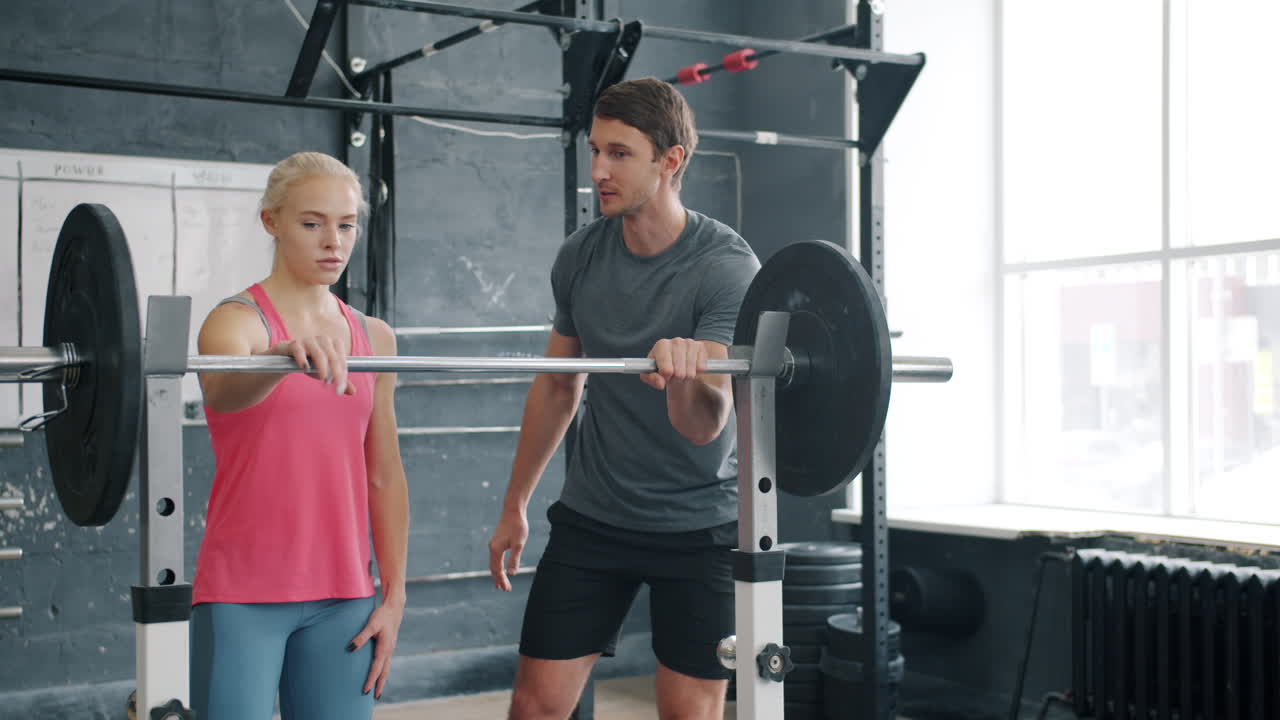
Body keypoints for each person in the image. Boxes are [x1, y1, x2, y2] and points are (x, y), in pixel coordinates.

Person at [488, 78, 761, 720]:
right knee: (535, 708)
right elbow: (560, 383)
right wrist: (516, 504)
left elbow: (705, 427)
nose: (598, 171)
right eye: (595, 151)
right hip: (596, 515)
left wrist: (687, 376)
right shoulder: (581, 257)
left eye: (619, 153)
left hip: (700, 526)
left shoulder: (726, 268)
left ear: (671, 161)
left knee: (686, 715)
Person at [191, 151, 409, 720]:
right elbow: (219, 391)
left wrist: (394, 594)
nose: (332, 241)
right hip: (242, 593)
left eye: (346, 224)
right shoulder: (237, 322)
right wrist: (276, 359)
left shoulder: (374, 337)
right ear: (272, 223)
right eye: (311, 224)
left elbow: (383, 472)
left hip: (345, 596)